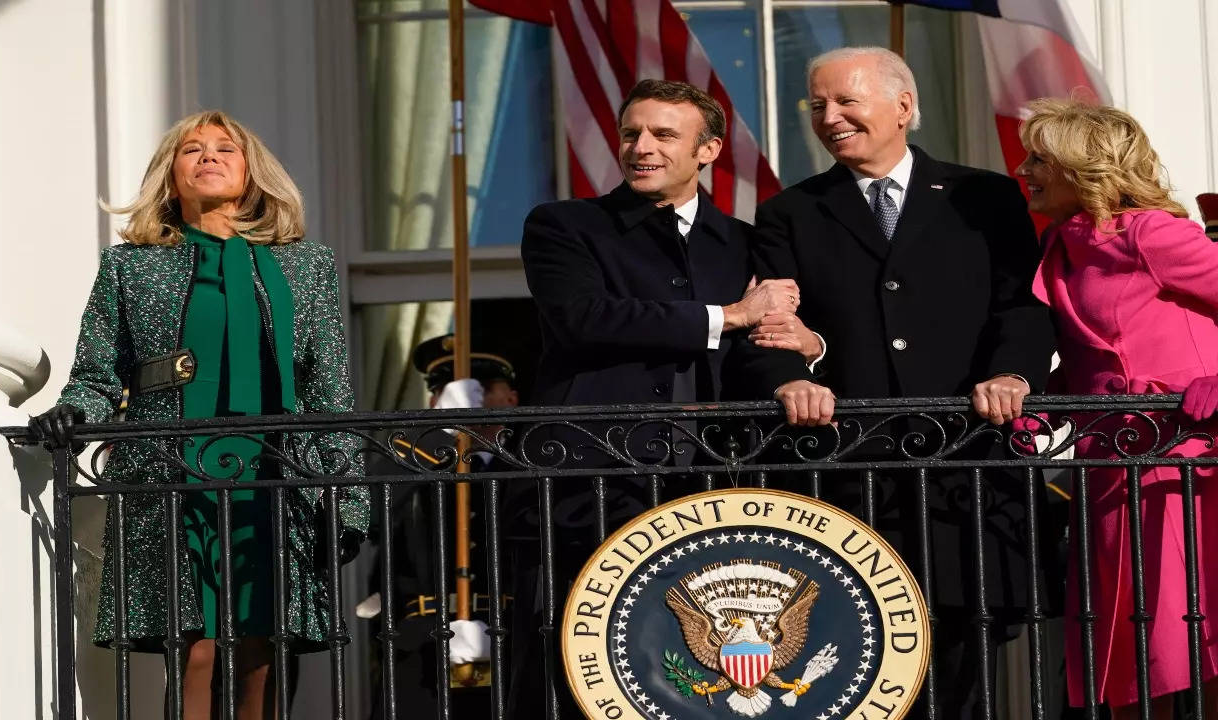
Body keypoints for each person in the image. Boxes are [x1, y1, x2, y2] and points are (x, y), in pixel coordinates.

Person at [28, 110, 367, 720]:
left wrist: (348, 497)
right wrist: (70, 412)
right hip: (168, 473)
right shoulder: (129, 266)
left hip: (277, 474)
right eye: (191, 149)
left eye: (225, 149)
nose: (208, 156)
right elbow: (98, 373)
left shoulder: (306, 265)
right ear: (171, 175)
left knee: (264, 647)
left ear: (252, 173)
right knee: (197, 649)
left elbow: (328, 391)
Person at [750, 47, 1056, 717]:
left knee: (961, 665)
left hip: (967, 469)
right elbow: (773, 326)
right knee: (855, 669)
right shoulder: (791, 213)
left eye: (846, 101)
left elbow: (1023, 307)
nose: (830, 118)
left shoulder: (984, 197)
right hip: (851, 476)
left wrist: (1013, 373)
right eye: (818, 105)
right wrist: (790, 381)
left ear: (904, 107)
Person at [515, 78, 819, 718]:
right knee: (578, 660)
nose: (640, 147)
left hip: (710, 483)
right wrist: (727, 315)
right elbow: (585, 318)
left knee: (693, 672)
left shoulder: (741, 242)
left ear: (708, 151)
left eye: (662, 135)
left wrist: (796, 367)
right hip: (587, 479)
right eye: (631, 133)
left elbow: (759, 348)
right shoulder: (565, 226)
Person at [1018, 98, 1218, 717]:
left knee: (1191, 628)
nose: (1023, 169)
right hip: (1111, 458)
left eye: (1039, 159)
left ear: (1083, 167)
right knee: (1131, 639)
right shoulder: (1062, 244)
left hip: (1188, 454)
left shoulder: (1155, 233)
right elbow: (1092, 354)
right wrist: (1040, 403)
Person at [362, 334, 520, 718]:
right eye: (449, 392)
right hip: (421, 642)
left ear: (511, 399)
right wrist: (436, 433)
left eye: (482, 389)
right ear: (435, 402)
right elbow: (368, 515)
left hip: (515, 638)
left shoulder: (529, 464)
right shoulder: (412, 459)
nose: (472, 401)